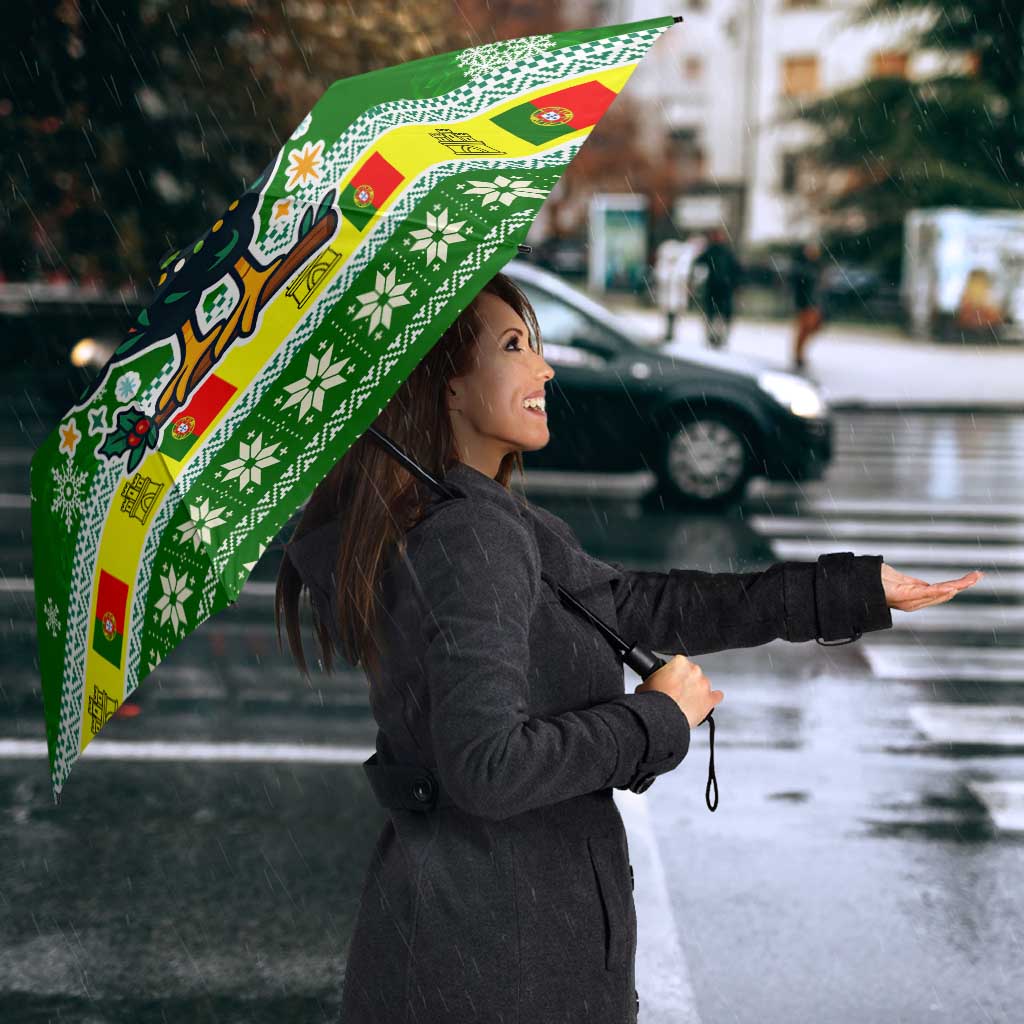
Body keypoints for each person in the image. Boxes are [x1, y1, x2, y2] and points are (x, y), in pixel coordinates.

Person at [276, 271, 980, 1024]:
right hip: (497, 963)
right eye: (514, 346)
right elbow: (487, 767)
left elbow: (642, 605)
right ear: (445, 386)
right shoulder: (470, 536)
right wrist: (655, 719)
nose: (544, 368)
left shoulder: (479, 519)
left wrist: (850, 590)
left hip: (480, 942)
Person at [692, 226, 742, 349]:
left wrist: (735, 284)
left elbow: (736, 270)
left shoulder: (725, 252)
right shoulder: (712, 251)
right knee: (713, 314)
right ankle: (713, 337)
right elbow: (698, 264)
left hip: (723, 288)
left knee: (720, 315)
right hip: (715, 288)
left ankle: (719, 337)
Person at [790, 239, 826, 370]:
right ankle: (798, 355)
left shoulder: (817, 266)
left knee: (812, 328)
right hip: (805, 303)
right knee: (804, 329)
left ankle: (799, 354)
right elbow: (799, 286)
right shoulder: (802, 267)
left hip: (814, 303)